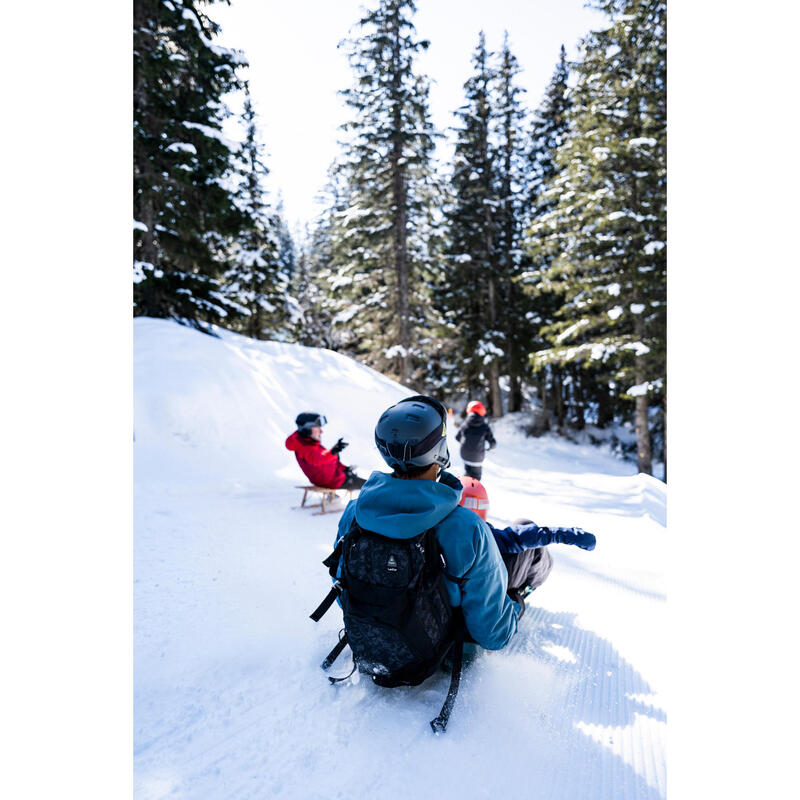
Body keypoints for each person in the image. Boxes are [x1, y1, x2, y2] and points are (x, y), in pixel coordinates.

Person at [457, 475, 596, 614]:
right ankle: (526, 587)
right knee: (525, 527)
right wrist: (570, 534)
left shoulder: (442, 527)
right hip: (483, 597)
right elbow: (519, 537)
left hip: (458, 595)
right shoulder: (478, 533)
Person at [285, 412, 366, 491]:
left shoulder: (309, 444)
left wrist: (345, 468)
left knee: (366, 482)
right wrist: (332, 452)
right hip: (333, 481)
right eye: (318, 428)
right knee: (369, 485)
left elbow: (329, 461)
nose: (321, 432)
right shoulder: (304, 447)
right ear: (307, 430)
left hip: (335, 477)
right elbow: (318, 458)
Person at [455, 400, 496, 480]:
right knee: (476, 478)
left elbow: (457, 437)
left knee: (468, 472)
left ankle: (462, 486)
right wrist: (490, 448)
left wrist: (467, 443)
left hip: (464, 454)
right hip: (477, 457)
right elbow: (492, 443)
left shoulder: (465, 424)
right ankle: (468, 491)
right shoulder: (484, 426)